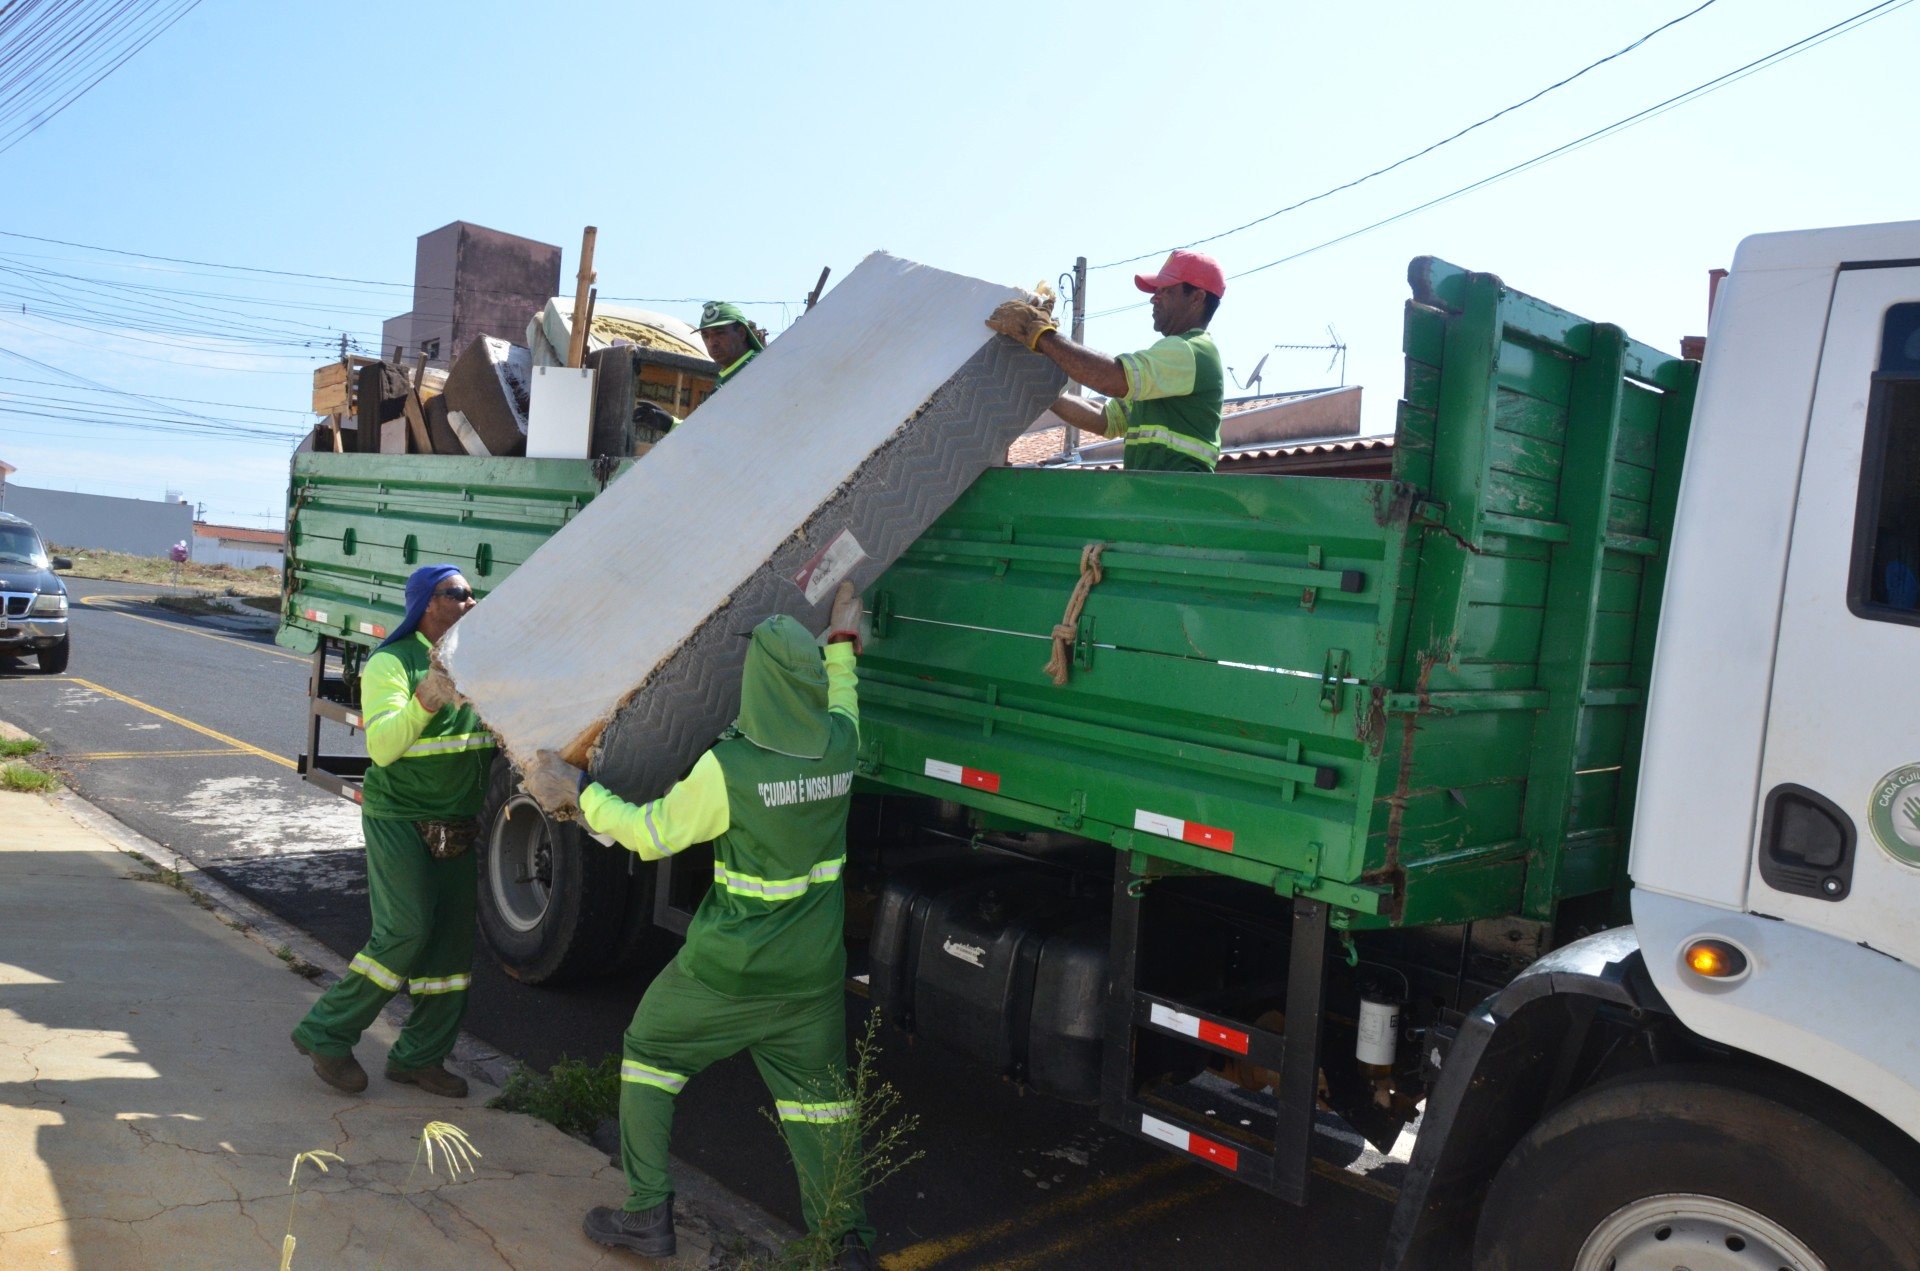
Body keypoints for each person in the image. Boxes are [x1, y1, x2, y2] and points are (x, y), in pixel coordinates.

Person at [521, 583, 875, 1269]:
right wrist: (842, 640)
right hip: (812, 977)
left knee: (650, 1053)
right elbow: (844, 696)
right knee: (822, 1108)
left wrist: (579, 793)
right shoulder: (840, 746)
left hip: (728, 971)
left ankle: (648, 1215)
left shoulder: (729, 768)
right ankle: (846, 1244)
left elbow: (651, 834)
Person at [291, 564, 495, 1098]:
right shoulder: (391, 664)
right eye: (459, 594)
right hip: (399, 816)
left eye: (473, 594)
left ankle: (419, 1058)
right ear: (428, 603)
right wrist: (428, 696)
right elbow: (382, 748)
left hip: (455, 818)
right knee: (405, 930)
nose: (471, 602)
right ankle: (326, 1032)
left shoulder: (475, 660)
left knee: (450, 950)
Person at [986, 248, 1227, 472]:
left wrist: (1040, 334)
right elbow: (1107, 419)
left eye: (1166, 290)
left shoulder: (1191, 351)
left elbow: (1112, 379)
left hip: (1175, 499)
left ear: (1196, 298)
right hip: (1158, 497)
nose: (1154, 298)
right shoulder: (1173, 363)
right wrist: (1038, 387)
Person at [693, 300, 767, 387]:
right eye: (706, 336)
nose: (712, 343)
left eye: (720, 333)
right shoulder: (727, 376)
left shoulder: (761, 369)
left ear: (741, 333)